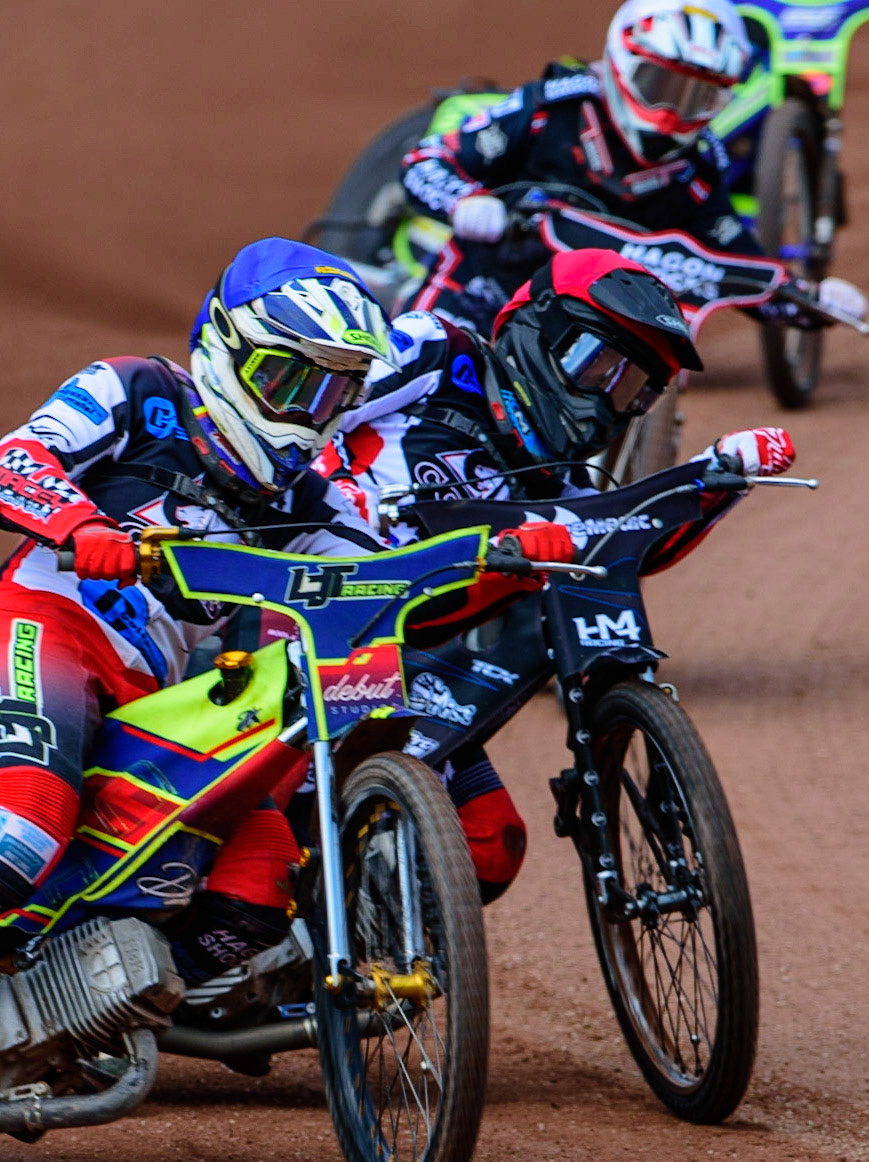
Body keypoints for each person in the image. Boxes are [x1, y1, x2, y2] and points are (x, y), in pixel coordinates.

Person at [0, 237, 574, 1140]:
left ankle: (45, 1011)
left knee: (256, 886)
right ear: (231, 350)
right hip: (50, 629)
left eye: (334, 392)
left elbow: (382, 582)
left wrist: (503, 556)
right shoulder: (139, 392)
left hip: (163, 703)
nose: (310, 414)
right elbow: (9, 464)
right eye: (294, 383)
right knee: (18, 832)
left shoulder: (310, 496)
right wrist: (81, 522)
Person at [319, 247, 794, 899]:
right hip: (314, 616)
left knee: (491, 849)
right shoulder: (436, 350)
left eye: (633, 388)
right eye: (599, 365)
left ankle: (372, 956)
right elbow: (305, 415)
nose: (608, 401)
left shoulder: (565, 485)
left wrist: (717, 480)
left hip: (407, 667)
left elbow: (636, 546)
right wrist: (338, 495)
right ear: (540, 328)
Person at [398, 0, 867, 331]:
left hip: (583, 333)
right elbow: (426, 161)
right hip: (482, 292)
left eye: (696, 97)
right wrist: (465, 202)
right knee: (419, 363)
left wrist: (811, 299)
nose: (669, 114)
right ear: (622, 62)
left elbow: (738, 267)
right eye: (658, 83)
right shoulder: (551, 108)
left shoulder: (695, 172)